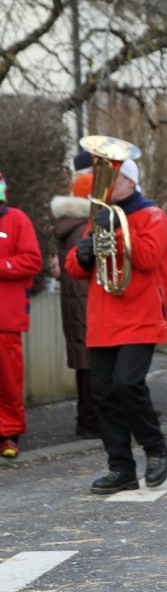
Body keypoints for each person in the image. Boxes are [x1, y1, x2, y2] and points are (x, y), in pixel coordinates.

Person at [65, 157, 167, 493]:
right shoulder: (101, 215)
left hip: (140, 316)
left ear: (131, 181)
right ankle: (121, 468)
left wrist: (116, 231)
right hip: (103, 317)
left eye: (115, 178)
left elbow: (149, 257)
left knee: (127, 384)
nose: (107, 184)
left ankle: (155, 448)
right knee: (104, 395)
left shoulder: (153, 215)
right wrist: (83, 254)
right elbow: (74, 267)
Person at [51, 160, 98, 439]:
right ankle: (91, 421)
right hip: (87, 301)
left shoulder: (66, 223)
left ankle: (86, 419)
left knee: (83, 363)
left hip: (74, 303)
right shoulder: (85, 226)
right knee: (92, 364)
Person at [0, 172, 43, 459]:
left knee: (7, 380)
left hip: (5, 318)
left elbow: (32, 260)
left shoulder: (17, 219)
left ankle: (9, 436)